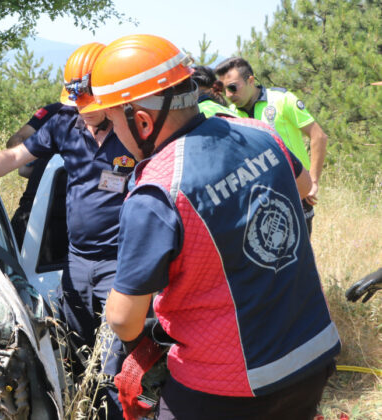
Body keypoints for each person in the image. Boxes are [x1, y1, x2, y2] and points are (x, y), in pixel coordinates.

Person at [80, 34, 340, 420]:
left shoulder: (158, 189)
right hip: (312, 356)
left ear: (143, 121)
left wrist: (144, 348)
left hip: (227, 387)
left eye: (113, 120)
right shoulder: (262, 134)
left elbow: (121, 317)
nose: (113, 133)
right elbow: (303, 187)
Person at [0, 42, 134, 419]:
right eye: (80, 106)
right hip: (77, 263)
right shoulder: (62, 124)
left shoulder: (135, 131)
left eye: (92, 105)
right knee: (74, 350)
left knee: (113, 361)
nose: (85, 114)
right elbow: (13, 157)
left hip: (120, 264)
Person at [215, 57, 329, 234]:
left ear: (250, 81)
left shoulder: (282, 100)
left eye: (232, 87)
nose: (229, 95)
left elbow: (319, 136)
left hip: (296, 191)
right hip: (257, 199)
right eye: (224, 90)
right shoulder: (230, 116)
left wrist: (313, 181)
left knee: (296, 257)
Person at [7, 102, 65, 247]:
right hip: (35, 209)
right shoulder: (56, 111)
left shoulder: (113, 115)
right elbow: (17, 138)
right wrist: (29, 164)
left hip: (73, 217)